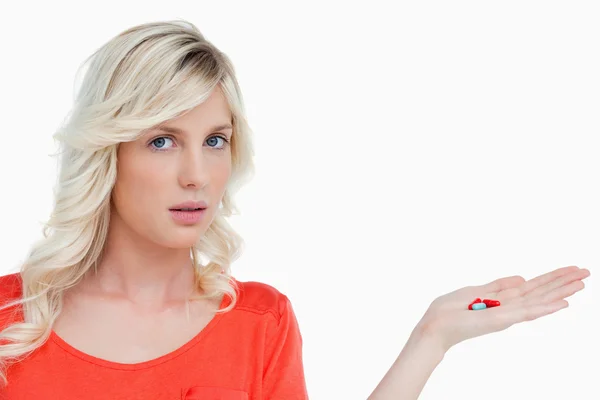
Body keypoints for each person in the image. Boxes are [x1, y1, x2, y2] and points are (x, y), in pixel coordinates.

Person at [0, 19, 591, 400]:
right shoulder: (10, 323)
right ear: (109, 152)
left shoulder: (259, 323)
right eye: (161, 140)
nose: (196, 174)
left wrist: (430, 338)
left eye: (215, 140)